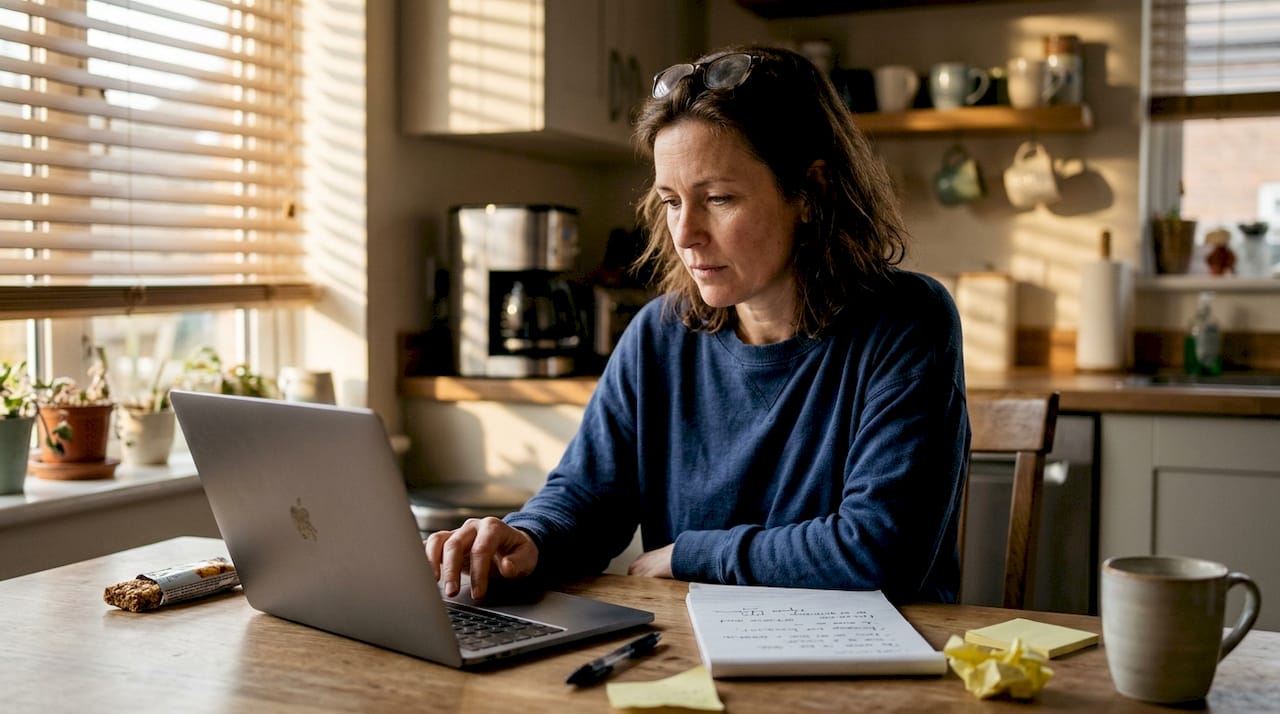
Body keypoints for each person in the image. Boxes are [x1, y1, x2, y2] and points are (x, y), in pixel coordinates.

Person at [425, 44, 970, 604]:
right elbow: (586, 498)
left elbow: (880, 551)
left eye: (718, 198)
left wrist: (693, 555)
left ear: (811, 192)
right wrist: (529, 536)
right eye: (670, 201)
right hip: (697, 654)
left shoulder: (907, 322)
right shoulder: (660, 333)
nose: (685, 234)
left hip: (875, 666)